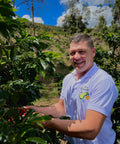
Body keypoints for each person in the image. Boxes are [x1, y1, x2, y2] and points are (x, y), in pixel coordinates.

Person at [24, 33, 118, 144]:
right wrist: (34, 110)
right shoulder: (69, 79)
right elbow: (62, 108)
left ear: (93, 52)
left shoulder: (102, 81)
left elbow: (91, 130)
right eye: (72, 53)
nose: (76, 57)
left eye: (82, 52)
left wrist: (48, 122)